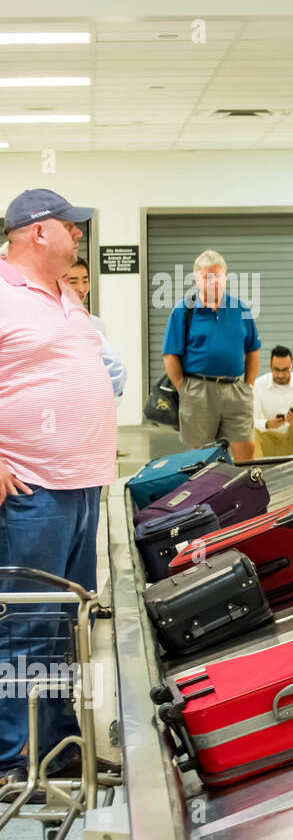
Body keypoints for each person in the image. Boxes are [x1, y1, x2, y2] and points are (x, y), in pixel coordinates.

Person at [0, 189, 117, 787]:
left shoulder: (65, 294)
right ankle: (12, 759)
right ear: (37, 232)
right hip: (32, 489)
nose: (79, 235)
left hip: (82, 484)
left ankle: (60, 743)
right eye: (70, 227)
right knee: (26, 622)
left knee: (67, 624)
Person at [161, 250, 260, 462]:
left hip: (236, 392)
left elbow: (252, 349)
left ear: (226, 277)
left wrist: (248, 386)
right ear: (197, 278)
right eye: (208, 277)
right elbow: (170, 355)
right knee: (200, 459)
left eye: (219, 276)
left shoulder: (240, 309)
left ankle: (242, 496)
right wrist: (184, 389)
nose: (214, 281)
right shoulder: (183, 311)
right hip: (198, 391)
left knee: (246, 454)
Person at [64, 256, 127, 400]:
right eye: (73, 282)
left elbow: (110, 367)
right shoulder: (49, 322)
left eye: (85, 281)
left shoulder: (96, 324)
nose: (81, 289)